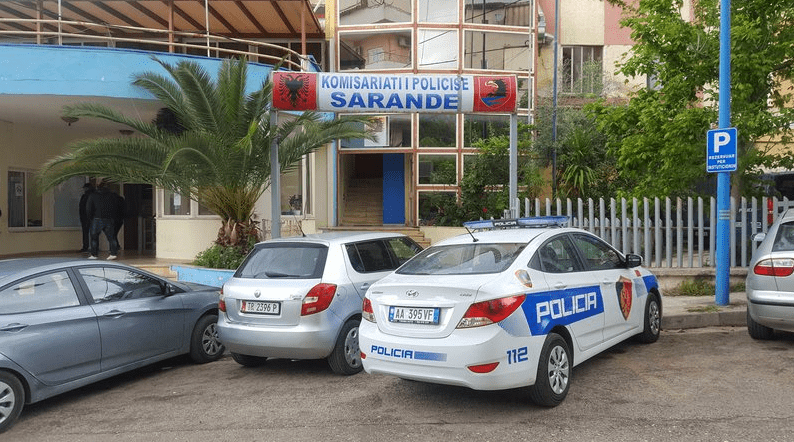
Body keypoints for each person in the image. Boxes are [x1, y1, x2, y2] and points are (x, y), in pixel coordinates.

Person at [86, 182, 121, 260]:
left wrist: (90, 218)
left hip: (97, 218)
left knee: (94, 237)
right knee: (112, 237)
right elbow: (116, 207)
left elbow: (88, 208)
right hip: (109, 219)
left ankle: (94, 254)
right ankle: (113, 253)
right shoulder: (112, 196)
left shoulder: (93, 196)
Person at [78, 182, 95, 253]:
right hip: (92, 217)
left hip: (86, 217)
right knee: (93, 233)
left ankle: (86, 247)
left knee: (86, 233)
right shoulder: (94, 195)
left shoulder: (85, 196)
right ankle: (93, 248)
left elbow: (81, 207)